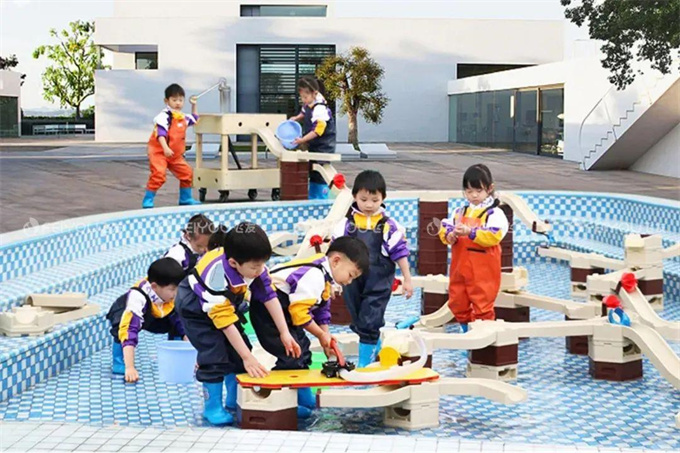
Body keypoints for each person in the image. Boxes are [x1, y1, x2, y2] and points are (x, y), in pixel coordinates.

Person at [175, 222, 301, 426]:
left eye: (262, 264)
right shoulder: (216, 277)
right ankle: (212, 407)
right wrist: (248, 358)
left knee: (240, 350)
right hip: (195, 308)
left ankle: (234, 400)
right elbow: (224, 323)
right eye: (254, 267)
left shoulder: (253, 264)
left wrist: (284, 332)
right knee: (214, 353)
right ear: (233, 263)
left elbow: (269, 296)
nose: (260, 270)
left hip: (224, 305)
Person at [250, 236, 369, 418]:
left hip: (286, 310)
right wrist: (321, 335)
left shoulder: (324, 274)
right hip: (268, 311)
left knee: (303, 351)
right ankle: (282, 400)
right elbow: (300, 314)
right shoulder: (314, 275)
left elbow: (321, 309)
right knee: (290, 355)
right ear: (336, 261)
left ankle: (303, 396)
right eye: (351, 275)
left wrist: (326, 337)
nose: (349, 282)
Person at [332, 170, 413, 367]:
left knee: (370, 319)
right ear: (354, 197)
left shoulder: (388, 226)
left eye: (375, 200)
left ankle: (364, 365)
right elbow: (334, 256)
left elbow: (400, 253)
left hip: (378, 281)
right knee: (359, 319)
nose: (369, 205)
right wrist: (332, 281)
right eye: (364, 199)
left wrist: (407, 278)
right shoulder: (346, 225)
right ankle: (375, 349)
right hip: (352, 280)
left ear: (383, 198)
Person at [439, 164, 509, 332]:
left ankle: (484, 337)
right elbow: (445, 227)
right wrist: (450, 235)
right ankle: (465, 330)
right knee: (457, 300)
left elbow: (494, 235)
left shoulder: (494, 213)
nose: (474, 195)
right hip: (460, 266)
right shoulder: (460, 212)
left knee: (482, 303)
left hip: (483, 269)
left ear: (489, 189)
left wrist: (470, 232)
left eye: (479, 191)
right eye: (469, 191)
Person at [106, 258, 186, 383]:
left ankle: (177, 350)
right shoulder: (137, 298)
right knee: (122, 327)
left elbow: (182, 324)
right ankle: (119, 361)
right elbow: (128, 330)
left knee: (178, 319)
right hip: (124, 313)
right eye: (172, 289)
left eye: (178, 288)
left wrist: (189, 352)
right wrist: (130, 367)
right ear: (154, 287)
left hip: (154, 315)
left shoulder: (170, 294)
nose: (176, 293)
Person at [142, 83, 201, 208]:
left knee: (187, 173)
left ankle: (185, 198)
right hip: (159, 153)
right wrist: (165, 148)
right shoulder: (164, 117)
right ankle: (148, 199)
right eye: (174, 100)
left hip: (175, 155)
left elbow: (195, 118)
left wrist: (194, 104)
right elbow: (161, 134)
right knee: (158, 174)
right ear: (166, 101)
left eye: (180, 100)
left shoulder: (183, 117)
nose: (178, 103)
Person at [288, 76, 336, 200]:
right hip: (314, 144)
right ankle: (313, 195)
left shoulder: (320, 108)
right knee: (312, 170)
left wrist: (302, 140)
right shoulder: (309, 102)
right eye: (302, 97)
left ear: (314, 93)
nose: (303, 100)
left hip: (324, 145)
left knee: (320, 171)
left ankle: (322, 196)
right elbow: (304, 112)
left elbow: (318, 131)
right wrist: (296, 118)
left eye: (305, 97)